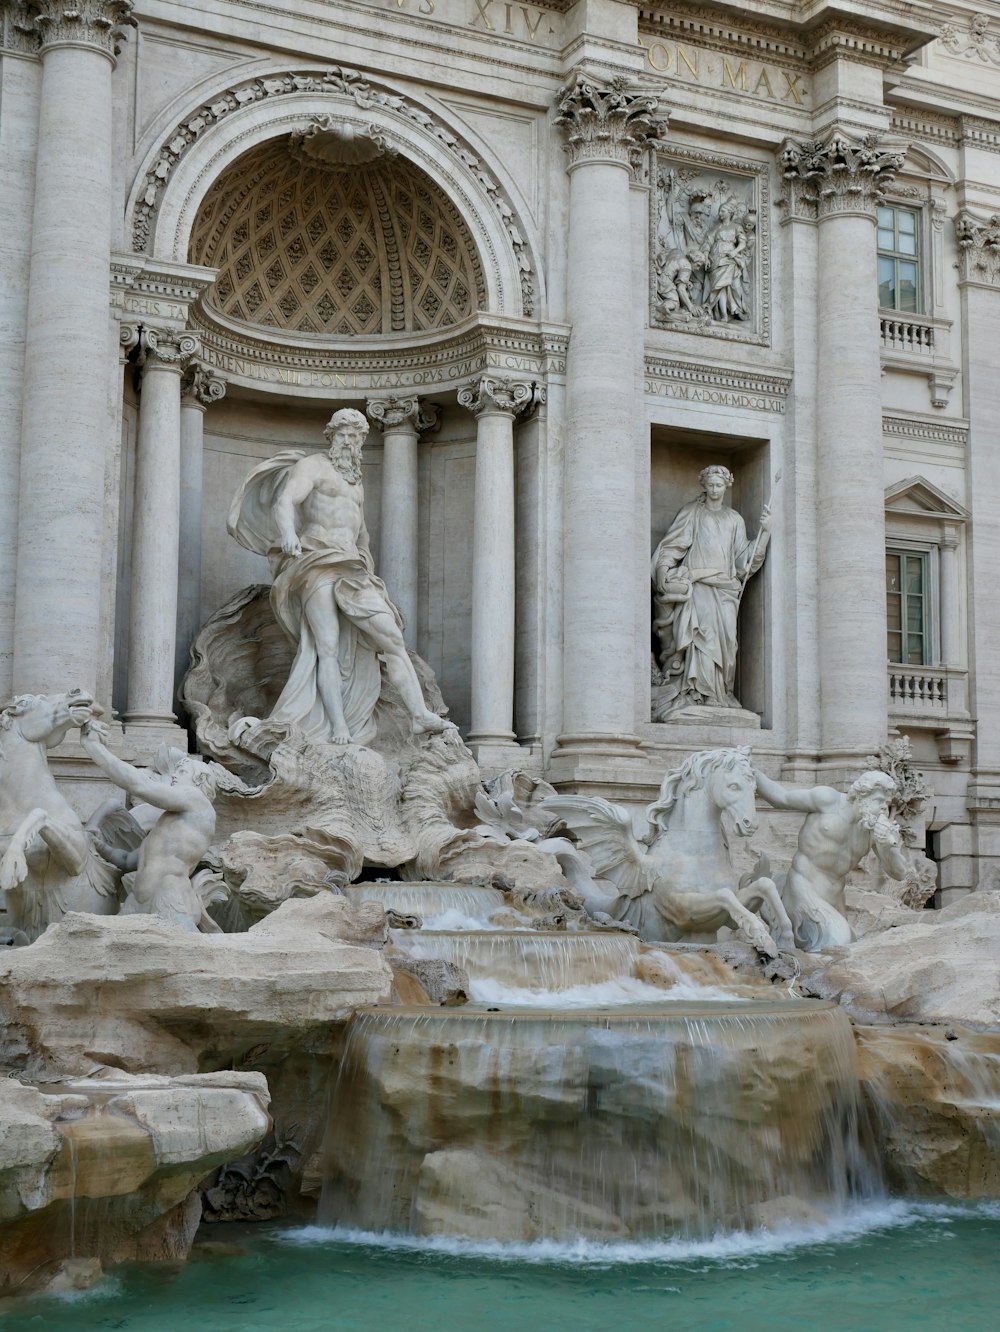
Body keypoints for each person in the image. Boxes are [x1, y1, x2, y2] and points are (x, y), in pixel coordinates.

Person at [228, 408, 449, 746]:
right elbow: (285, 501)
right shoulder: (313, 466)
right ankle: (338, 727)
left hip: (353, 568)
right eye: (344, 434)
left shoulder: (355, 481)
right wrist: (288, 534)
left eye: (356, 436)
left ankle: (419, 714)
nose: (349, 441)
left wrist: (367, 565)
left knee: (391, 637)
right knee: (326, 646)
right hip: (316, 561)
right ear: (331, 436)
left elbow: (361, 532)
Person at [79, 722, 249, 932]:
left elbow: (139, 786)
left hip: (169, 897)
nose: (175, 775)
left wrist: (95, 748)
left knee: (185, 957)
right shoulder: (169, 823)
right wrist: (100, 847)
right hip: (138, 902)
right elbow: (127, 861)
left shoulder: (197, 801)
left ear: (199, 780)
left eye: (183, 771)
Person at [651, 465, 770, 715]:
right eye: (711, 485)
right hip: (698, 588)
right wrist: (663, 569)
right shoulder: (692, 512)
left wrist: (765, 533)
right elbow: (673, 546)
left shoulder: (734, 519)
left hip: (725, 589)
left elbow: (743, 562)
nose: (715, 490)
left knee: (727, 644)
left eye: (720, 486)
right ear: (703, 486)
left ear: (727, 487)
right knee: (702, 639)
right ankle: (697, 694)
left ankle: (720, 692)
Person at [752, 767, 909, 950]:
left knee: (848, 947)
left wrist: (889, 846)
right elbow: (782, 797)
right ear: (862, 795)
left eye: (887, 803)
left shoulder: (872, 830)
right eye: (879, 801)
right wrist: (753, 772)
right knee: (838, 943)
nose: (884, 808)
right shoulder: (829, 800)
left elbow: (899, 873)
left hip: (835, 899)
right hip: (803, 887)